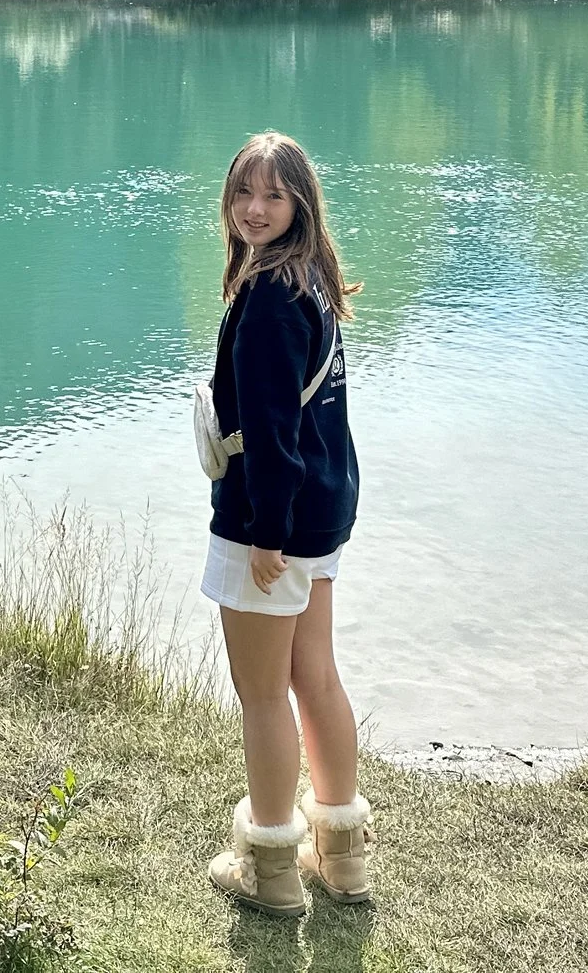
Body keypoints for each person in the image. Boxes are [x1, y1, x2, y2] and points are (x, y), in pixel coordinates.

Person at [201, 132, 372, 916]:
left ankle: (270, 865)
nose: (254, 208)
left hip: (270, 526)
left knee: (263, 692)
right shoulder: (311, 280)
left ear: (300, 201)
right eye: (243, 192)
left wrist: (265, 530)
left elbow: (270, 432)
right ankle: (341, 856)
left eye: (272, 194)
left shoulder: (269, 298)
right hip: (321, 515)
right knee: (316, 675)